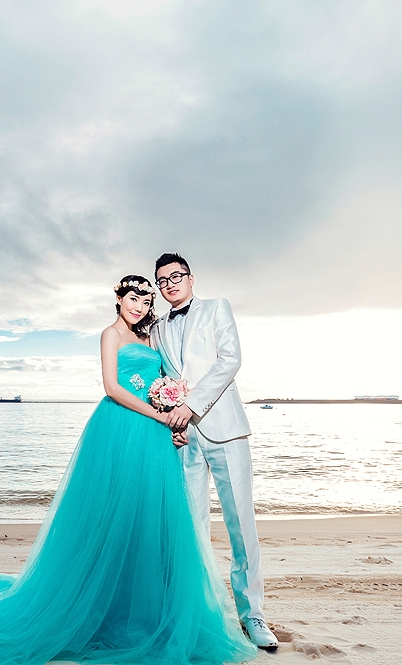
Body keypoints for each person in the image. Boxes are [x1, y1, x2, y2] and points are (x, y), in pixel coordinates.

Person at [0, 275, 257, 665]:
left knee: (150, 520)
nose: (139, 306)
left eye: (146, 300)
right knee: (108, 516)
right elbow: (112, 387)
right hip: (120, 428)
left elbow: (169, 379)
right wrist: (159, 414)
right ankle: (98, 602)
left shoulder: (152, 336)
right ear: (118, 299)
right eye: (133, 298)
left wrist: (170, 416)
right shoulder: (110, 334)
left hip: (153, 436)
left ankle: (148, 603)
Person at [151, 253, 277, 650]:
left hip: (225, 429)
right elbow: (159, 378)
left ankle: (252, 614)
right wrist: (170, 417)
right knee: (191, 528)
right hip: (183, 437)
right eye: (162, 281)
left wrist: (191, 405)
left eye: (176, 276)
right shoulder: (156, 328)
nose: (169, 284)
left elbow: (230, 360)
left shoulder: (217, 308)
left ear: (191, 277)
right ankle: (200, 612)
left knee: (241, 523)